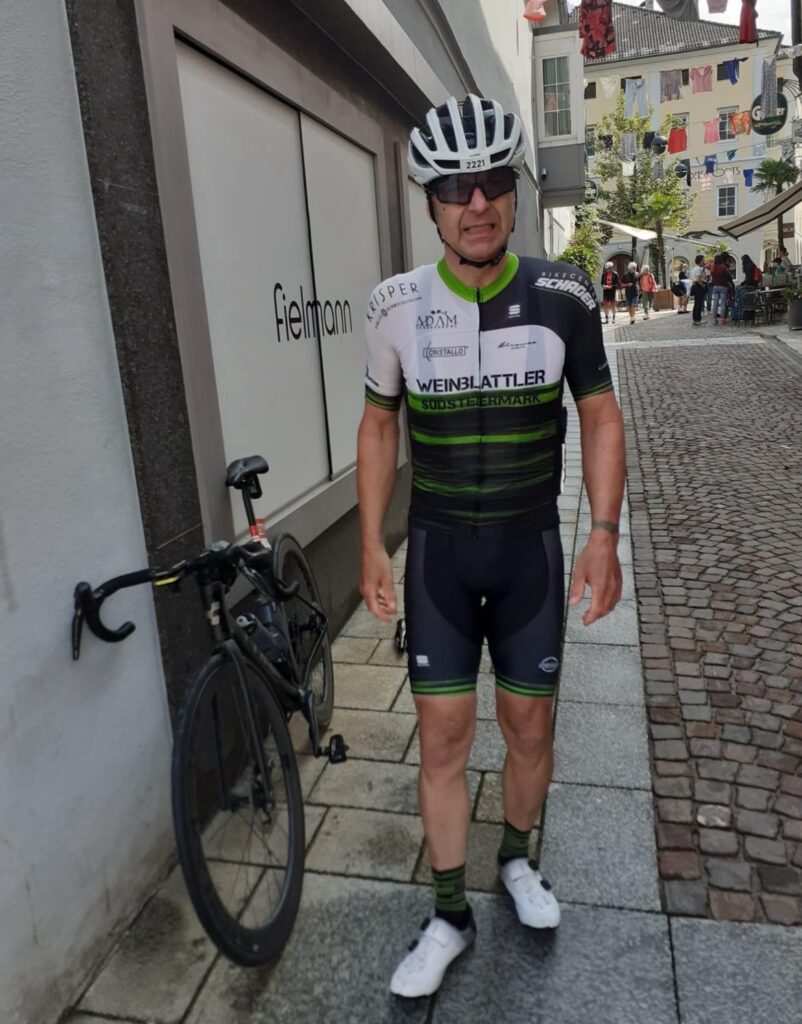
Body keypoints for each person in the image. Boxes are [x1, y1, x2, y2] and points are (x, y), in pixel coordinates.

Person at [358, 94, 625, 999]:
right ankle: (448, 914)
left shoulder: (565, 294)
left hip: (527, 553)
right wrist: (370, 544)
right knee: (442, 734)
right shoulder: (395, 306)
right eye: (453, 188)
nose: (476, 203)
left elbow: (600, 415)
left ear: (514, 191)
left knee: (529, 726)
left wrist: (603, 537)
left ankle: (515, 858)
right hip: (439, 554)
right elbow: (378, 426)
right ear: (430, 204)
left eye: (491, 183)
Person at [710, 253, 733, 326]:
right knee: (723, 303)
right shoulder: (723, 267)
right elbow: (729, 276)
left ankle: (714, 319)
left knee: (715, 303)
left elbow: (711, 275)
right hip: (723, 286)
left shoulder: (712, 267)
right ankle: (722, 319)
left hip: (715, 286)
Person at [690, 254, 707, 326]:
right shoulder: (698, 269)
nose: (704, 262)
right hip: (698, 286)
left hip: (696, 286)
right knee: (699, 304)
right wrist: (703, 285)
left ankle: (696, 319)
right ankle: (697, 319)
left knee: (697, 303)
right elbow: (698, 279)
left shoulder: (695, 268)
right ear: (700, 261)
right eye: (703, 260)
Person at [622, 260, 640, 324]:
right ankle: (632, 317)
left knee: (633, 305)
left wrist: (640, 288)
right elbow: (621, 284)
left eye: (635, 268)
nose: (635, 269)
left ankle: (632, 318)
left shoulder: (637, 274)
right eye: (633, 268)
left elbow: (640, 282)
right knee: (629, 307)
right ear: (629, 268)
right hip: (628, 293)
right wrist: (627, 285)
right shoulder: (625, 275)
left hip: (635, 292)